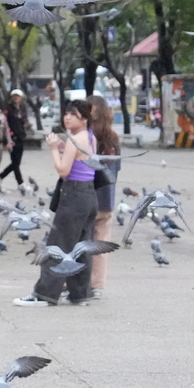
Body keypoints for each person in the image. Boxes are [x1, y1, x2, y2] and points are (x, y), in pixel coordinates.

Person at [14, 100, 98, 307]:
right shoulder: (90, 136)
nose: (67, 118)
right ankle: (80, 293)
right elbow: (80, 163)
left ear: (84, 118)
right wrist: (62, 149)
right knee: (82, 246)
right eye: (66, 113)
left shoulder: (75, 139)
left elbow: (63, 170)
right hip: (89, 194)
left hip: (74, 195)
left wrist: (53, 149)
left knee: (57, 246)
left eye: (74, 114)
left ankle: (44, 294)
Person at [87, 95, 121, 297]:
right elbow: (118, 167)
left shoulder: (86, 136)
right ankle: (97, 285)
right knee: (101, 245)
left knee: (81, 242)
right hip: (107, 198)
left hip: (88, 197)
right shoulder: (113, 137)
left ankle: (77, 282)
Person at [0, 89, 28, 187]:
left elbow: (24, 121)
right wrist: (8, 137)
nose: (16, 98)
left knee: (17, 162)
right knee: (15, 162)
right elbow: (4, 123)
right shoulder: (9, 109)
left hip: (21, 137)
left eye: (18, 96)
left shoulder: (22, 109)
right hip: (12, 138)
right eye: (14, 96)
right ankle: (20, 182)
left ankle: (1, 176)